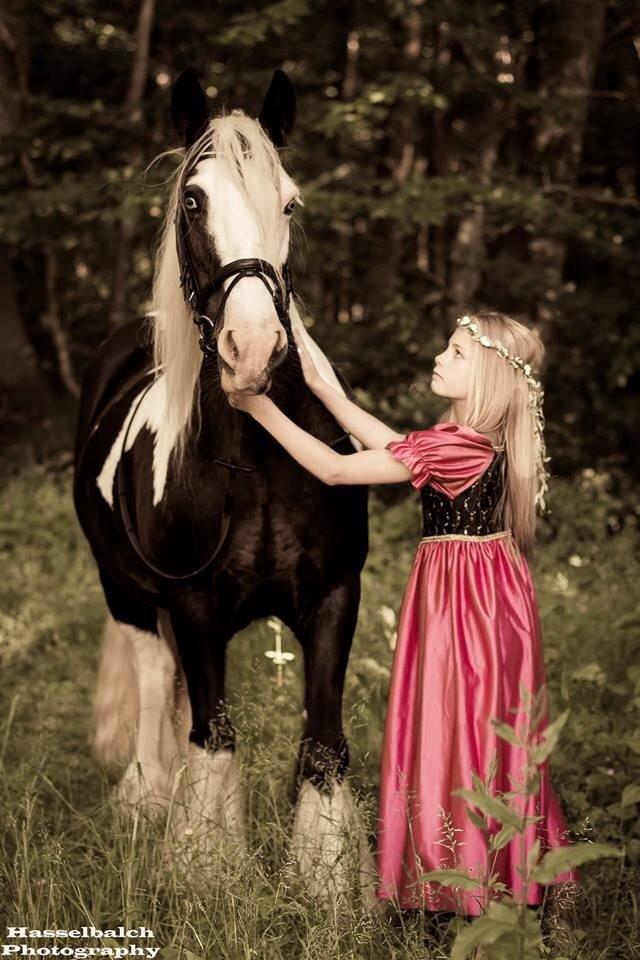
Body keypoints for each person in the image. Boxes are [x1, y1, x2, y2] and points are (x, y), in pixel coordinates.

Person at [230, 308, 579, 916]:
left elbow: (338, 469)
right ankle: (500, 870)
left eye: (456, 353)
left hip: (463, 602)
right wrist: (319, 382)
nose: (440, 359)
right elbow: (393, 443)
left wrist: (260, 409)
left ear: (490, 377)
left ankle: (466, 883)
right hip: (491, 594)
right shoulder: (472, 441)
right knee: (487, 726)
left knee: (457, 723)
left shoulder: (459, 444)